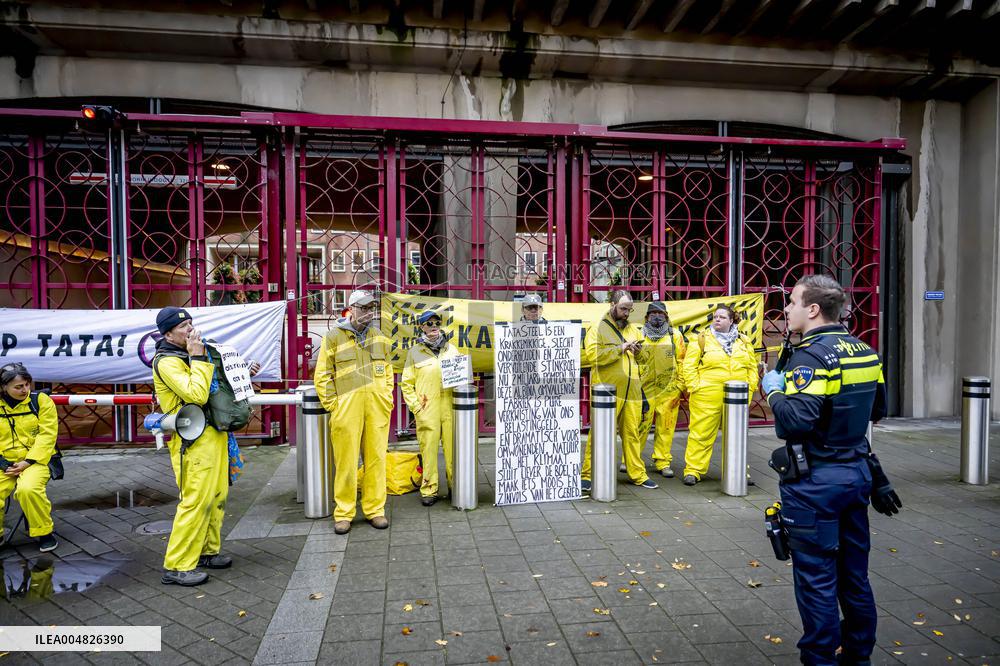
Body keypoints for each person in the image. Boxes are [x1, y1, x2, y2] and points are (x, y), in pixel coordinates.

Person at [761, 275, 898, 666]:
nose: (786, 309)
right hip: (855, 477)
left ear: (813, 309)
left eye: (791, 302)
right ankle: (857, 656)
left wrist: (773, 389)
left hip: (815, 483)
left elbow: (794, 423)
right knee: (854, 579)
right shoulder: (865, 352)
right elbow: (877, 411)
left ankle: (820, 659)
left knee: (817, 582)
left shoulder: (812, 357)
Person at [152, 306, 259, 586]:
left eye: (190, 323)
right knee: (196, 501)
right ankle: (178, 565)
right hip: (192, 439)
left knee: (217, 496)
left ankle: (207, 551)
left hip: (214, 433)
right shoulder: (167, 361)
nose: (191, 329)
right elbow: (196, 394)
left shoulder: (190, 354)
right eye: (183, 326)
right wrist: (198, 357)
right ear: (168, 334)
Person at [314, 289, 394, 534]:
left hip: (376, 408)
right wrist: (334, 406)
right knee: (346, 463)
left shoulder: (379, 336)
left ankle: (375, 510)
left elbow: (388, 372)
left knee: (376, 460)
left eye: (372, 308)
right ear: (352, 309)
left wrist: (386, 398)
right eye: (365, 308)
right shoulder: (333, 337)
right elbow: (322, 376)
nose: (370, 313)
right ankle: (344, 512)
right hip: (346, 410)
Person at [580, 290, 657, 492]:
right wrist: (620, 348)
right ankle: (588, 474)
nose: (626, 313)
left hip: (632, 390)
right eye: (623, 308)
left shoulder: (633, 329)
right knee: (599, 433)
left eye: (629, 310)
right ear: (612, 304)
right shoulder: (597, 328)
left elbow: (645, 359)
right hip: (607, 390)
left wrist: (640, 353)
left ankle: (637, 473)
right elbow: (593, 356)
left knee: (632, 433)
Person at [680, 304, 759, 485]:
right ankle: (693, 470)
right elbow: (689, 366)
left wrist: (750, 388)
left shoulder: (744, 341)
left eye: (722, 317)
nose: (717, 320)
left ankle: (738, 470)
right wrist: (695, 387)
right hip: (706, 395)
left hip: (737, 396)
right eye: (715, 317)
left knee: (736, 435)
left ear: (732, 321)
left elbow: (751, 367)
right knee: (701, 433)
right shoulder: (701, 339)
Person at [400, 310, 462, 506]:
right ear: (422, 327)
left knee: (454, 451)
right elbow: (406, 384)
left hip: (450, 409)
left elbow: (461, 378)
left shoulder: (452, 350)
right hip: (427, 410)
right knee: (429, 451)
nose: (434, 326)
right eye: (429, 324)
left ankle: (457, 486)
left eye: (436, 323)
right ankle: (429, 489)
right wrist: (417, 408)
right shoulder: (414, 352)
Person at [0, 363, 59, 552]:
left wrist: (28, 462)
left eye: (26, 384)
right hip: (4, 463)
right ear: (3, 387)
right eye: (18, 387)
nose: (24, 390)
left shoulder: (41, 401)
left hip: (35, 460)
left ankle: (44, 533)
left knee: (28, 489)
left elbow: (48, 435)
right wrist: (2, 463)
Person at [636, 302, 687, 479]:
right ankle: (632, 461)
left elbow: (682, 362)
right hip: (644, 389)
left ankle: (662, 462)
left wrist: (680, 386)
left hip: (669, 390)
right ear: (647, 317)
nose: (657, 317)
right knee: (639, 426)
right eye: (653, 313)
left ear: (666, 316)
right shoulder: (638, 334)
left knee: (666, 427)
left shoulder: (675, 336)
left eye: (660, 313)